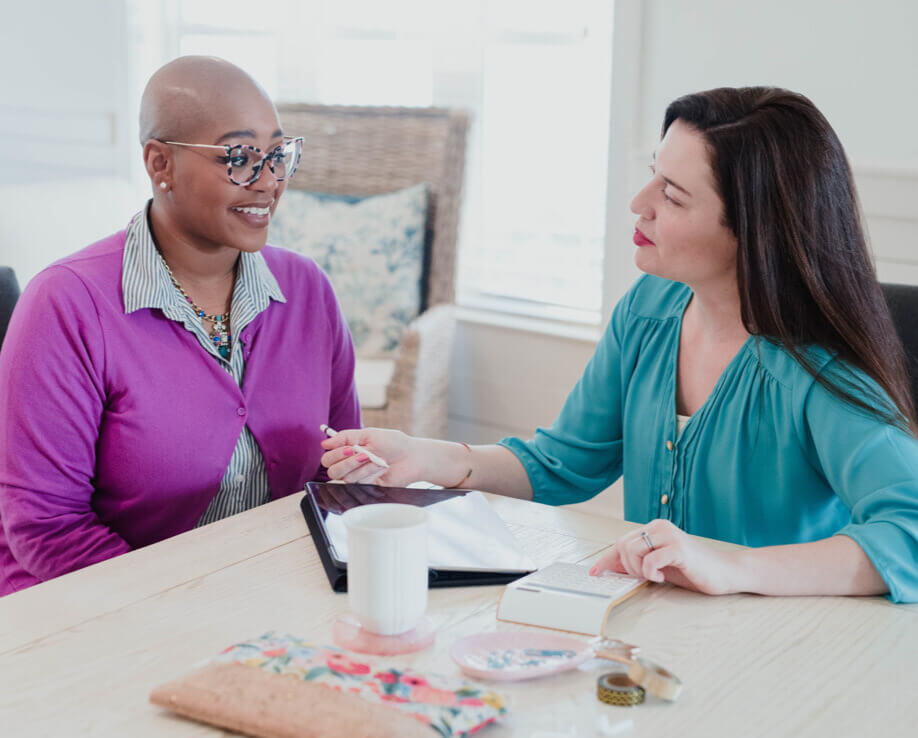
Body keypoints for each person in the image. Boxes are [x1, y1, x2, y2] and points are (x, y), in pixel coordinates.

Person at [321, 86, 918, 603]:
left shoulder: (818, 366)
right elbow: (564, 464)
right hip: (653, 630)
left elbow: (908, 533)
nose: (640, 204)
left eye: (674, 196)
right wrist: (426, 459)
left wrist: (731, 566)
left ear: (755, 232)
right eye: (653, 173)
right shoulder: (649, 308)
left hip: (779, 652)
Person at [0, 56, 360, 595]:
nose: (268, 181)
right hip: (90, 606)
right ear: (160, 163)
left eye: (279, 154)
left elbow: (340, 476)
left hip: (269, 593)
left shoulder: (307, 290)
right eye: (239, 156)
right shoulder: (67, 305)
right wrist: (196, 607)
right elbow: (48, 531)